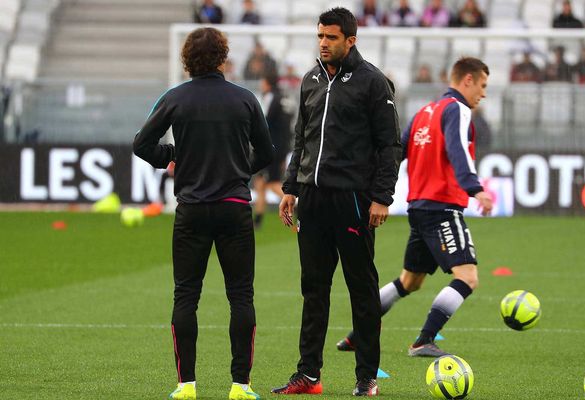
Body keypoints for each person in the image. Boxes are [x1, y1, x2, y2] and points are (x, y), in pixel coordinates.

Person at [132, 27, 273, 400]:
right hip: (233, 209)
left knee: (186, 297)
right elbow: (268, 151)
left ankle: (186, 385)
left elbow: (142, 143)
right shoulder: (244, 99)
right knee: (241, 296)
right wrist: (242, 169)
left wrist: (172, 156)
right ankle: (241, 386)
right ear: (223, 56)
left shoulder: (176, 98)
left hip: (192, 210)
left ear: (187, 59)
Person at [271, 7, 401, 397]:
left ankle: (366, 379)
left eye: (331, 37)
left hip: (354, 201)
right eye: (320, 36)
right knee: (313, 289)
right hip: (311, 198)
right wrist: (290, 187)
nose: (323, 43)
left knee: (362, 291)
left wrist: (382, 197)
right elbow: (301, 138)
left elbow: (390, 146)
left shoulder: (373, 83)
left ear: (351, 40)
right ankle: (308, 375)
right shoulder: (310, 80)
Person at [336, 57, 493, 358]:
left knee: (410, 281)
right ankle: (424, 340)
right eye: (482, 86)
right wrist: (475, 188)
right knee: (468, 277)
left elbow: (398, 152)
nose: (483, 94)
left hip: (419, 208)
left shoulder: (424, 112)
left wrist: (371, 183)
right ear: (467, 80)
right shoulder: (457, 109)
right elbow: (458, 151)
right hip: (443, 207)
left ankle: (358, 334)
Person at [253, 73, 292, 229]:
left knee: (272, 183)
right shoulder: (284, 98)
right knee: (260, 183)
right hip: (282, 146)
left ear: (268, 83)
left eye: (263, 81)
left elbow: (265, 122)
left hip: (272, 147)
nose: (261, 84)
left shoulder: (270, 97)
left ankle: (296, 206)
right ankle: (257, 220)